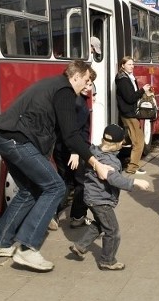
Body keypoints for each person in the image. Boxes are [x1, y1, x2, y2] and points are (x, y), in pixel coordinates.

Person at [0, 60, 113, 272]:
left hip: (5, 138)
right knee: (56, 187)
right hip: (17, 140)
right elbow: (71, 135)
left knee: (29, 190)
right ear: (76, 76)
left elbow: (54, 130)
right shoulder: (64, 90)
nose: (87, 85)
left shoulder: (54, 85)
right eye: (87, 80)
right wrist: (95, 163)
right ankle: (27, 248)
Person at [68, 124, 150, 271]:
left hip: (91, 197)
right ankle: (108, 260)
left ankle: (80, 246)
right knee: (113, 231)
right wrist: (135, 182)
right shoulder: (111, 161)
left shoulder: (92, 152)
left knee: (100, 224)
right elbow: (114, 179)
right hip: (101, 200)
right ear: (118, 145)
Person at [50, 68, 96, 230]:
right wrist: (76, 152)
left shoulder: (71, 98)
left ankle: (51, 213)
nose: (88, 86)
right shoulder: (79, 103)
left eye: (90, 84)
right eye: (87, 82)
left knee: (64, 181)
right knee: (81, 183)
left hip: (61, 147)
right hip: (75, 149)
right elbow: (75, 130)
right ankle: (78, 216)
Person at [115, 56, 152, 174]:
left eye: (132, 64)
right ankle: (132, 167)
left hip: (130, 112)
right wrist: (142, 90)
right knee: (139, 141)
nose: (132, 66)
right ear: (122, 65)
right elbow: (130, 98)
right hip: (129, 113)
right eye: (129, 64)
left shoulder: (129, 77)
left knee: (131, 138)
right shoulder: (123, 79)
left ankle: (115, 148)